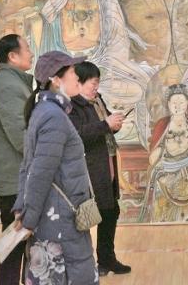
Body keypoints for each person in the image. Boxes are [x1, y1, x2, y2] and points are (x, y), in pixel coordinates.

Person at [13, 51, 98, 284]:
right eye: (72, 72)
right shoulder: (53, 116)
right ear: (56, 80)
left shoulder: (44, 111)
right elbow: (39, 172)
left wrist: (23, 208)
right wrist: (28, 218)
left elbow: (28, 167)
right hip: (60, 221)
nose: (77, 77)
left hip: (56, 216)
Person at [68, 61, 131, 276]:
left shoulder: (97, 100)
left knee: (111, 210)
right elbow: (78, 134)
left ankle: (106, 259)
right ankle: (88, 264)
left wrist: (114, 124)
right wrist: (106, 124)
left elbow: (104, 126)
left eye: (97, 83)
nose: (96, 87)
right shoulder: (73, 106)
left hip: (107, 163)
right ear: (80, 82)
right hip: (91, 168)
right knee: (94, 213)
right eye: (93, 83)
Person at [0, 34, 34, 284]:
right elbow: (21, 138)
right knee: (13, 246)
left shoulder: (14, 83)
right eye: (27, 48)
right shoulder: (9, 87)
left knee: (16, 245)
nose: (31, 53)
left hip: (17, 179)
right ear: (12, 56)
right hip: (16, 182)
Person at [140, 84, 188, 222]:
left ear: (187, 104)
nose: (178, 106)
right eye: (174, 102)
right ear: (168, 104)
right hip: (168, 169)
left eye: (181, 102)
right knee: (159, 179)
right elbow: (152, 158)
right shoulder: (162, 125)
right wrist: (160, 153)